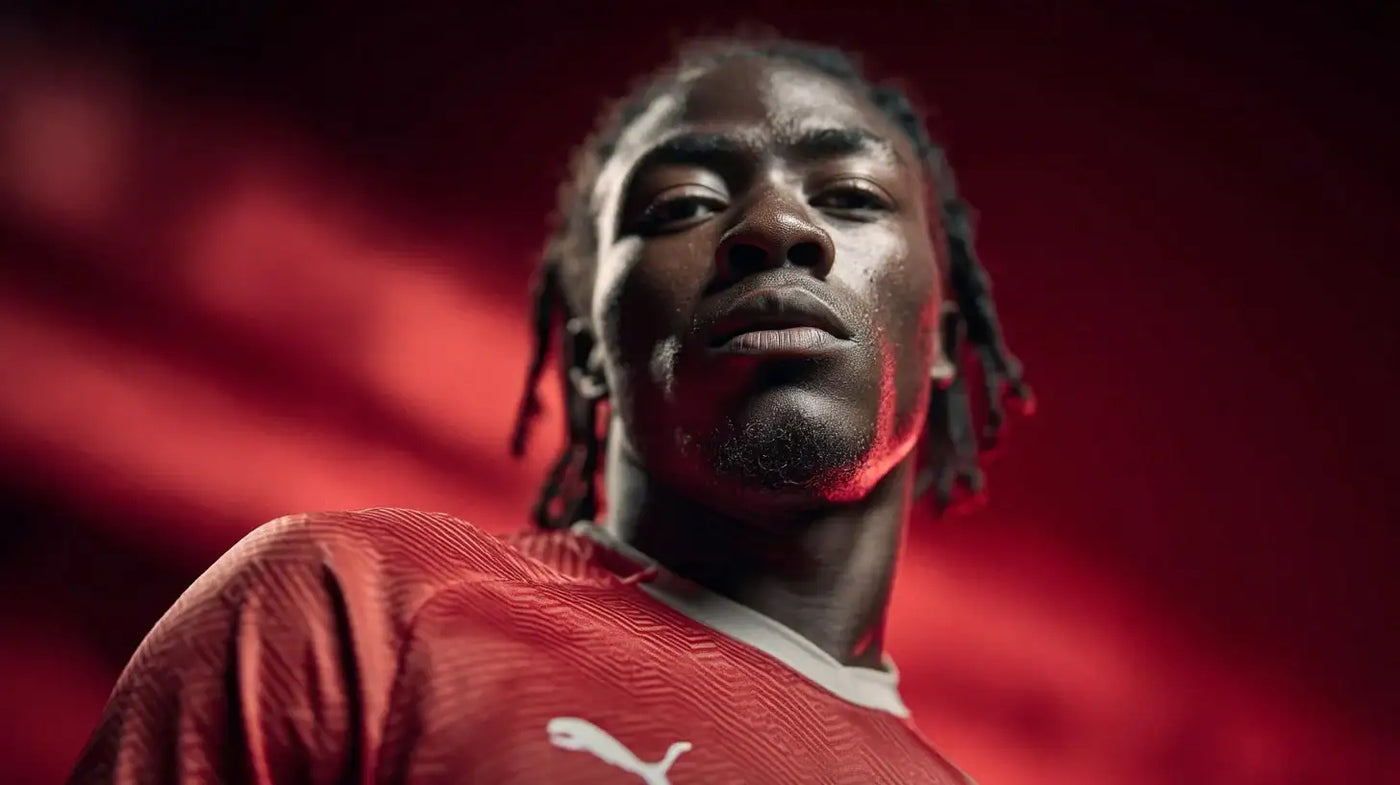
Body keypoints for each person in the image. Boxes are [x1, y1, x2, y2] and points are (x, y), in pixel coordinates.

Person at [68, 35, 1030, 785]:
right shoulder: (352, 605)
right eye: (683, 204)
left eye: (852, 194)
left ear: (942, 335)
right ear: (585, 349)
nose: (776, 228)